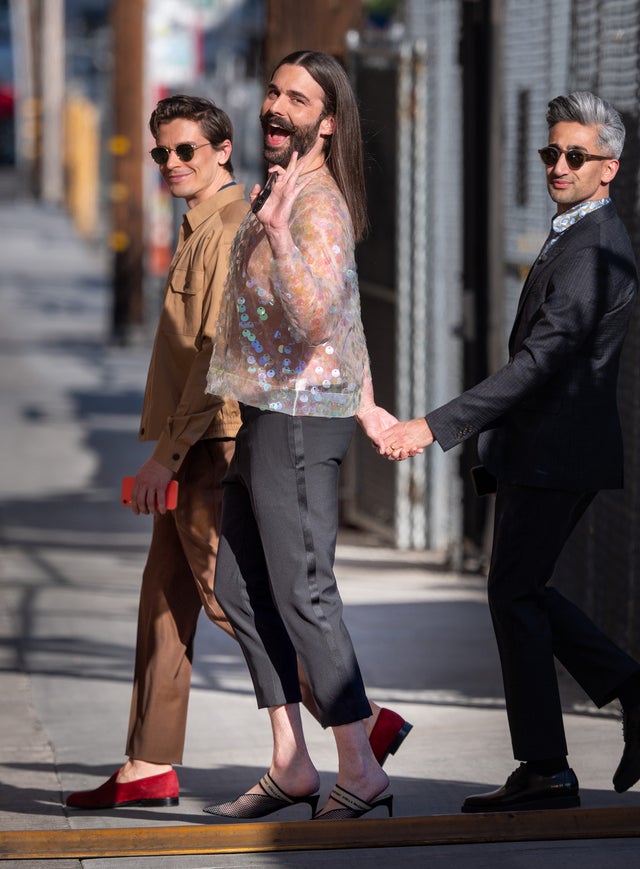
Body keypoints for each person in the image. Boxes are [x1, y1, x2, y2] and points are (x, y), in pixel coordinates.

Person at [66, 94, 410, 811]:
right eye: (161, 153)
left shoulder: (230, 226)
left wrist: (168, 453)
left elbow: (214, 357)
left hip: (211, 439)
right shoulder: (198, 223)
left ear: (222, 149)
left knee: (237, 596)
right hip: (187, 438)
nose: (170, 164)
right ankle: (148, 760)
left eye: (185, 150)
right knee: (165, 597)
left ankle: (359, 722)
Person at [378, 91, 640, 812]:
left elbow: (539, 362)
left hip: (559, 449)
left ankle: (551, 765)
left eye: (575, 156)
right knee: (518, 590)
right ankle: (597, 716)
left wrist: (436, 425)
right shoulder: (576, 232)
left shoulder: (594, 251)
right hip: (545, 447)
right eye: (550, 152)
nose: (558, 164)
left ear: (608, 168)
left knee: (514, 591)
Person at [201, 51, 399, 822]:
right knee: (237, 586)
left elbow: (319, 319)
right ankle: (290, 759)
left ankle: (361, 766)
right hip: (264, 412)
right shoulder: (285, 193)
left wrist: (278, 234)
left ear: (328, 120)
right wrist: (372, 403)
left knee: (303, 590)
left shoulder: (314, 207)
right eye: (274, 93)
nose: (277, 107)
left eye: (298, 99)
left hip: (297, 418)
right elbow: (346, 320)